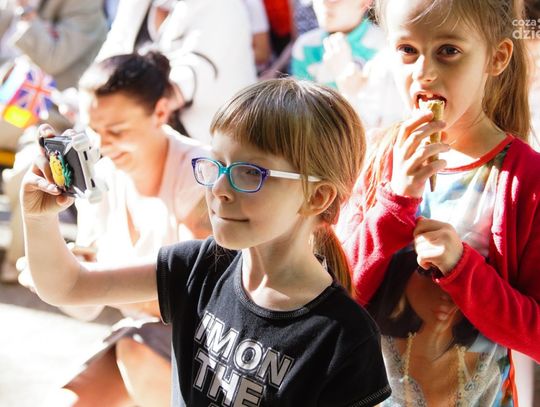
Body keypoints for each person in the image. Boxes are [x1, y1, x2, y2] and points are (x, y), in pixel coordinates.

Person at [22, 78, 391, 406]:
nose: (218, 188)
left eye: (249, 173)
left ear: (317, 197)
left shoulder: (345, 338)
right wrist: (38, 218)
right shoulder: (198, 266)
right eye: (216, 164)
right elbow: (68, 285)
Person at [336, 0, 540, 405]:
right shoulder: (374, 157)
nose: (424, 72)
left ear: (497, 57)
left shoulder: (525, 179)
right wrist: (394, 204)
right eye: (407, 50)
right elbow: (336, 297)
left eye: (448, 51)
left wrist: (462, 268)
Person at [33, 52, 211, 407]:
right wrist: (49, 266)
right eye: (94, 131)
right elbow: (87, 306)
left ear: (160, 112)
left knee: (135, 350)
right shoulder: (100, 177)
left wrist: (79, 280)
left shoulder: (199, 171)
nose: (102, 145)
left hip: (205, 344)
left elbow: (200, 298)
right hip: (142, 337)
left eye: (116, 131)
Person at [96, 0, 257, 143]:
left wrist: (118, 110)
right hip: (152, 134)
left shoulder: (223, 6)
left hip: (212, 146)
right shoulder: (137, 4)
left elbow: (182, 84)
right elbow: (109, 58)